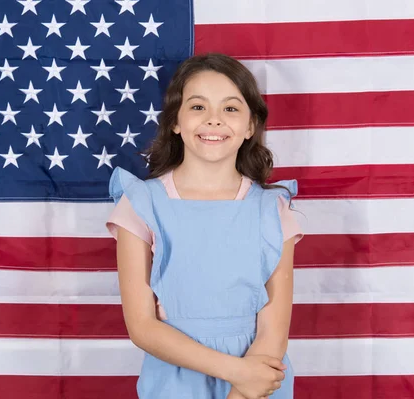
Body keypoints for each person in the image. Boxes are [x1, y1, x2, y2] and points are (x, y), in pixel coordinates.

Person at [106, 52, 304, 399]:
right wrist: (235, 372)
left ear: (250, 126)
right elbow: (142, 326)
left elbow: (274, 330)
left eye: (230, 108)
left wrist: (243, 388)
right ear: (175, 122)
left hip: (257, 382)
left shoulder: (271, 208)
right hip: (174, 380)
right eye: (198, 107)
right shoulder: (141, 205)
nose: (214, 121)